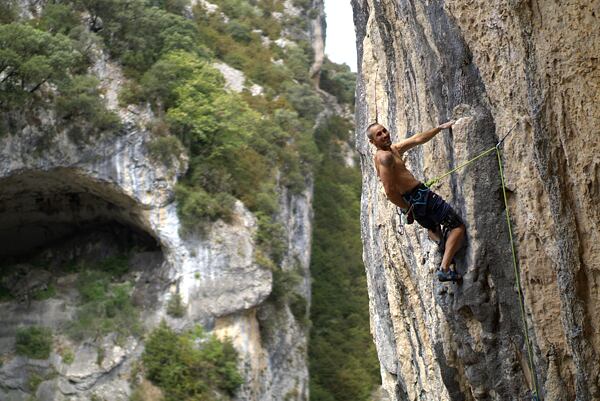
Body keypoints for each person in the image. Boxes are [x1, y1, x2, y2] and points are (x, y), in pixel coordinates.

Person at [367, 121, 465, 282]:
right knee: (457, 226)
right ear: (372, 142)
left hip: (415, 201)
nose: (384, 135)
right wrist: (406, 208)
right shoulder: (384, 157)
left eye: (384, 130)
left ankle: (442, 244)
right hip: (420, 198)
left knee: (432, 227)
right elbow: (390, 191)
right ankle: (444, 268)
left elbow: (417, 139)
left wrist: (439, 128)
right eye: (379, 134)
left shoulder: (393, 150)